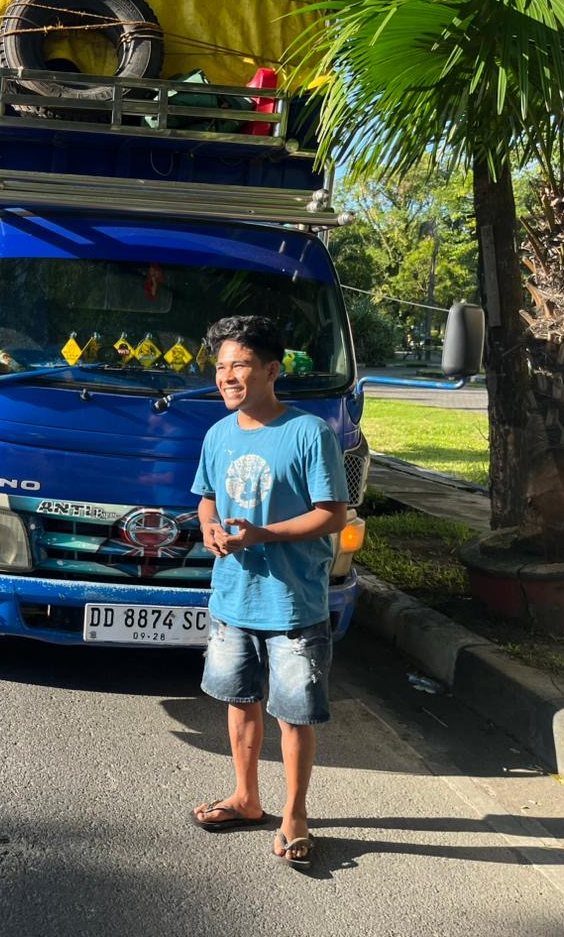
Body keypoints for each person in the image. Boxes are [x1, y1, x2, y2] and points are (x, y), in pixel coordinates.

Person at [187, 314, 347, 871]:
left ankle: (295, 814)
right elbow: (206, 496)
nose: (228, 377)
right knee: (240, 702)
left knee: (292, 714)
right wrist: (209, 526)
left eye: (241, 366)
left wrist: (264, 535)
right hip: (233, 598)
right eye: (222, 367)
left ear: (272, 370)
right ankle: (246, 797)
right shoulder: (217, 434)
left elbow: (332, 515)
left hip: (292, 603)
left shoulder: (308, 433)